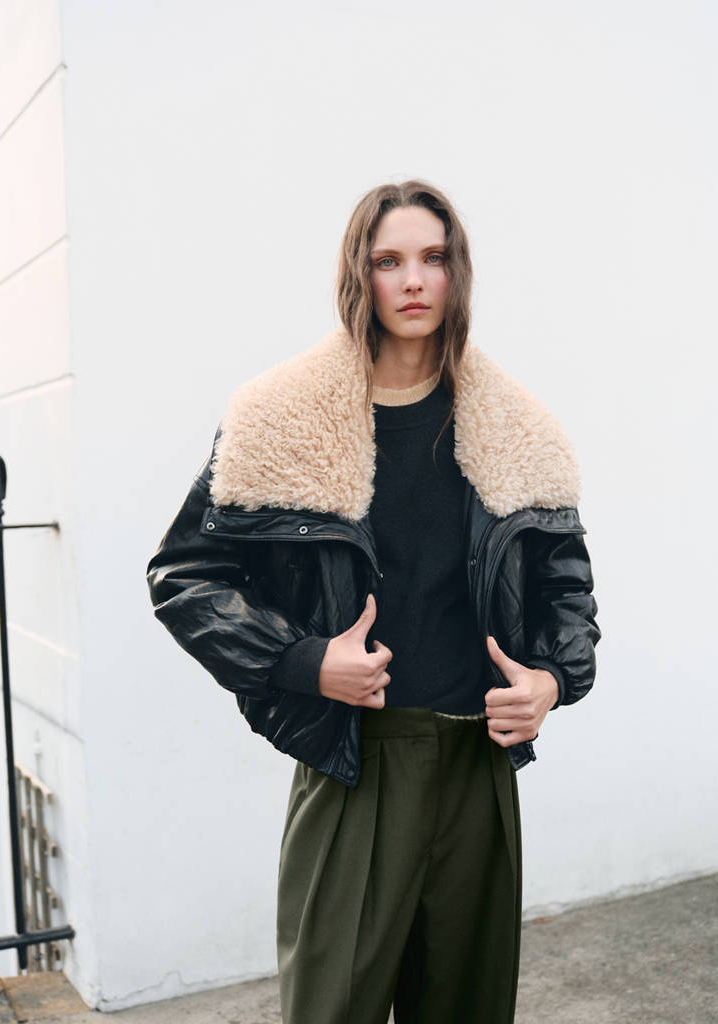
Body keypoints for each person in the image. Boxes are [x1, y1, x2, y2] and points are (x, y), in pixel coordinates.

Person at [146, 179, 600, 1024]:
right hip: (353, 759)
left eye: (433, 258)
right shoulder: (278, 418)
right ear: (359, 275)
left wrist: (551, 680)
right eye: (389, 261)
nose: (414, 280)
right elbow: (184, 575)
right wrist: (303, 661)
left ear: (458, 272)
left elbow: (564, 589)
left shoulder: (517, 427)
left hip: (476, 763)